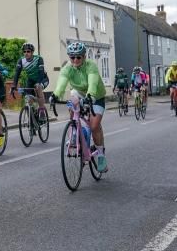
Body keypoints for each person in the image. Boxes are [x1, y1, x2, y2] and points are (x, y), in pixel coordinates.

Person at [53, 42, 109, 172]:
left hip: (96, 95)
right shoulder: (67, 68)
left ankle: (100, 155)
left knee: (94, 126)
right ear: (69, 58)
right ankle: (74, 131)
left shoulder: (91, 66)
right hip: (78, 93)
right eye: (72, 57)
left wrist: (90, 96)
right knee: (72, 101)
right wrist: (55, 95)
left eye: (79, 57)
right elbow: (61, 83)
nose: (75, 60)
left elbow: (93, 82)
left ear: (84, 57)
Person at [10, 43, 49, 119]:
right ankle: (32, 117)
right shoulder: (21, 60)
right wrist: (14, 85)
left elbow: (41, 72)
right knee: (28, 98)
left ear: (32, 52)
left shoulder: (38, 59)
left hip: (42, 79)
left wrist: (38, 83)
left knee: (38, 88)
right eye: (24, 52)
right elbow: (17, 73)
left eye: (28, 51)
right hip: (31, 80)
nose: (26, 53)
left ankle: (41, 109)